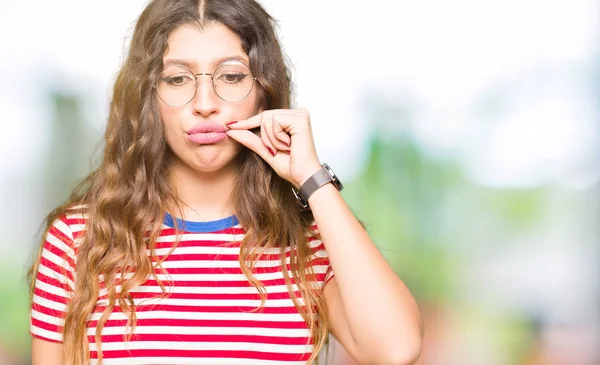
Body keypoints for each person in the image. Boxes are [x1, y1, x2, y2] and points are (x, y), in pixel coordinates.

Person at [28, 0, 423, 364]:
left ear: (262, 91)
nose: (204, 103)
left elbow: (397, 349)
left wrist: (312, 178)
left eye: (231, 76)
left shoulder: (308, 245)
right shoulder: (79, 240)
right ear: (149, 96)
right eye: (178, 79)